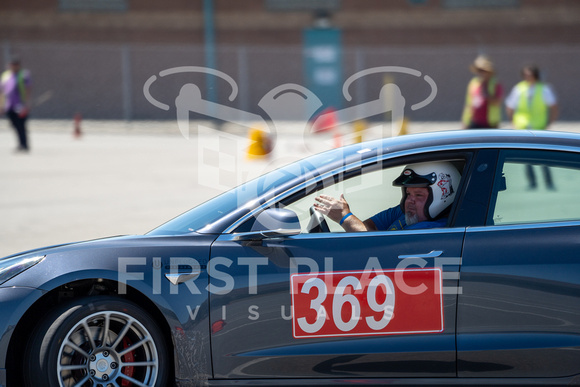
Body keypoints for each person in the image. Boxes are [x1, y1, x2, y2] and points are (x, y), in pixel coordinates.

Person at [314, 162, 461, 232]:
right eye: (408, 193)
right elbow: (368, 227)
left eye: (419, 195)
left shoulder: (429, 230)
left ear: (443, 196)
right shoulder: (407, 212)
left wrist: (344, 216)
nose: (410, 200)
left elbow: (372, 244)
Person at [505, 65, 558, 190]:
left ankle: (548, 182)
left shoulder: (544, 89)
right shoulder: (519, 89)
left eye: (530, 74)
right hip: (524, 128)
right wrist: (513, 122)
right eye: (526, 74)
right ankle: (532, 182)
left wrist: (549, 122)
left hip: (539, 128)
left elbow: (554, 107)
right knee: (527, 158)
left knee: (544, 156)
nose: (528, 77)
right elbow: (510, 106)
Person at [462, 55, 503, 129]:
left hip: (490, 124)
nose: (481, 73)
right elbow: (468, 104)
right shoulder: (473, 83)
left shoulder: (495, 84)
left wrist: (486, 93)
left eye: (483, 71)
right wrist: (465, 122)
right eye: (479, 71)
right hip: (474, 122)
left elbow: (497, 102)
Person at [1, 57, 32, 152]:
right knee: (14, 125)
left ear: (18, 65)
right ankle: (20, 144)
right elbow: (2, 91)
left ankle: (24, 145)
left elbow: (28, 89)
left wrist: (27, 104)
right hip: (9, 105)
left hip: (20, 105)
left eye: (15, 64)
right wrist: (1, 105)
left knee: (21, 125)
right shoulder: (5, 75)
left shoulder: (23, 75)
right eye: (11, 64)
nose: (13, 66)